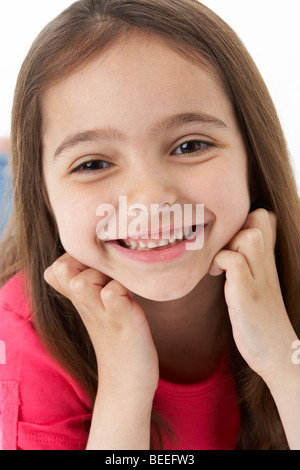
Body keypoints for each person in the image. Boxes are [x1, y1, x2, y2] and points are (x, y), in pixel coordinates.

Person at [0, 0, 299, 451]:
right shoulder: (22, 337)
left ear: (253, 158)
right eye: (93, 162)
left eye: (191, 145)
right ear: (42, 196)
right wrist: (124, 386)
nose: (151, 199)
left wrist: (282, 356)